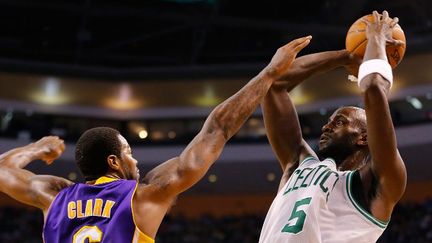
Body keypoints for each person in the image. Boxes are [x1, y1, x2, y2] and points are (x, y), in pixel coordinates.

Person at [0, 36, 311, 243]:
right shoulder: (144, 195)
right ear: (114, 161)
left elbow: (3, 167)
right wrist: (269, 73)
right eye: (128, 152)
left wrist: (38, 147)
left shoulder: (52, 196)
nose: (135, 160)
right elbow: (218, 128)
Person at [259, 11, 407, 243]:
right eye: (328, 122)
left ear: (364, 138)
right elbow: (274, 84)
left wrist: (375, 38)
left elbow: (374, 89)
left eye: (339, 122)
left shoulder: (375, 183)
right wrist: (346, 57)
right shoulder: (298, 165)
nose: (325, 128)